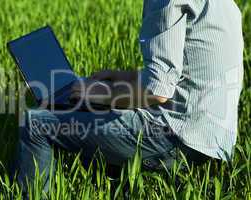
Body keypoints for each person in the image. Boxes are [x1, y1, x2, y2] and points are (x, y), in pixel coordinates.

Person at [13, 0, 244, 192]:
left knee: (36, 123)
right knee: (84, 110)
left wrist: (103, 94)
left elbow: (157, 92)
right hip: (213, 138)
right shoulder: (224, 4)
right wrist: (122, 77)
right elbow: (182, 72)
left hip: (176, 137)